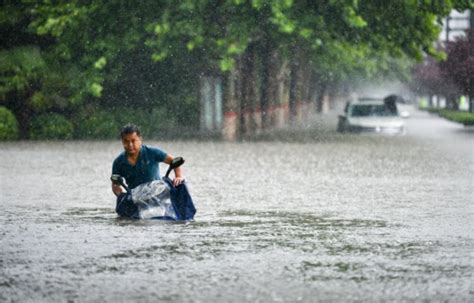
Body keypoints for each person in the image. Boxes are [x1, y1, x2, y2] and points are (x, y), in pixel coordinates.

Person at [111, 123, 184, 196]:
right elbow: (115, 184)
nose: (130, 145)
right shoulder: (118, 162)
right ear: (122, 142)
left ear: (140, 139)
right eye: (126, 141)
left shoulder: (152, 152)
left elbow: (173, 161)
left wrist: (178, 176)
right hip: (136, 199)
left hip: (157, 195)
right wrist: (120, 194)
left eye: (133, 141)